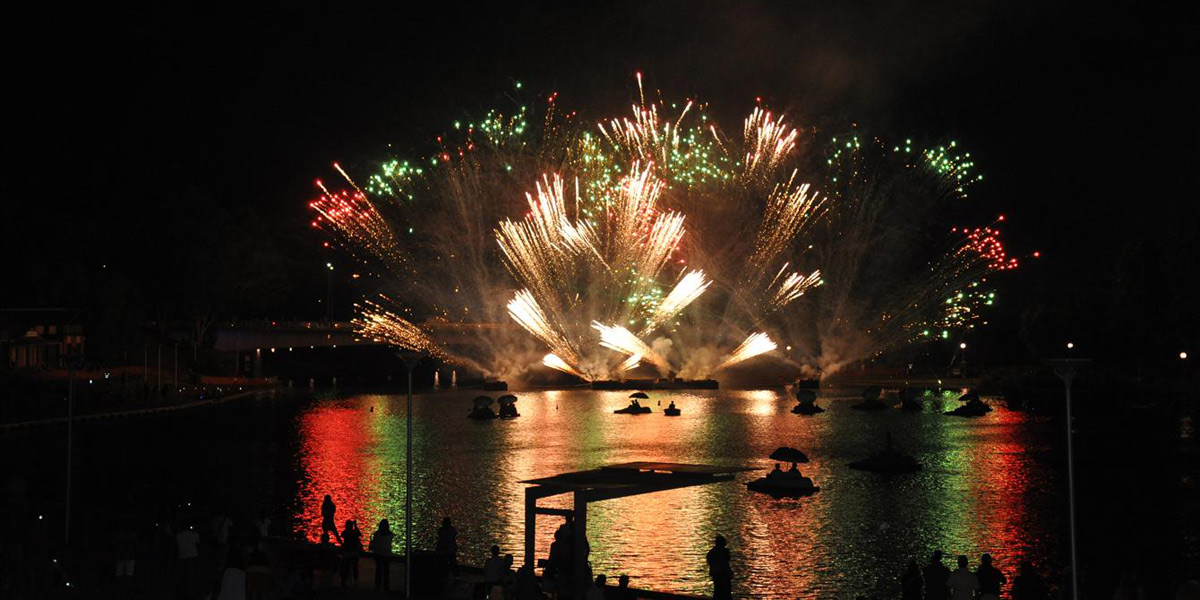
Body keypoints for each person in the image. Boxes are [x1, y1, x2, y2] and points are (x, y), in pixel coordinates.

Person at [368, 519, 394, 590]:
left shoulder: (377, 534)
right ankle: (386, 585)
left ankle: (378, 585)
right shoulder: (390, 534)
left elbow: (374, 542)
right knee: (386, 570)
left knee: (378, 569)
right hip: (387, 553)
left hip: (378, 553)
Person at [706, 534, 732, 600]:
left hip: (719, 573)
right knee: (722, 590)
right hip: (720, 573)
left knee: (719, 590)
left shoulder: (713, 552)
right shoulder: (724, 552)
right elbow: (725, 563)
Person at [340, 520, 362, 587]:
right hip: (354, 552)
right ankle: (355, 582)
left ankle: (345, 581)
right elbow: (359, 534)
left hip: (347, 552)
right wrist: (356, 526)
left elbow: (342, 535)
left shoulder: (345, 533)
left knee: (346, 567)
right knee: (354, 568)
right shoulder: (354, 532)